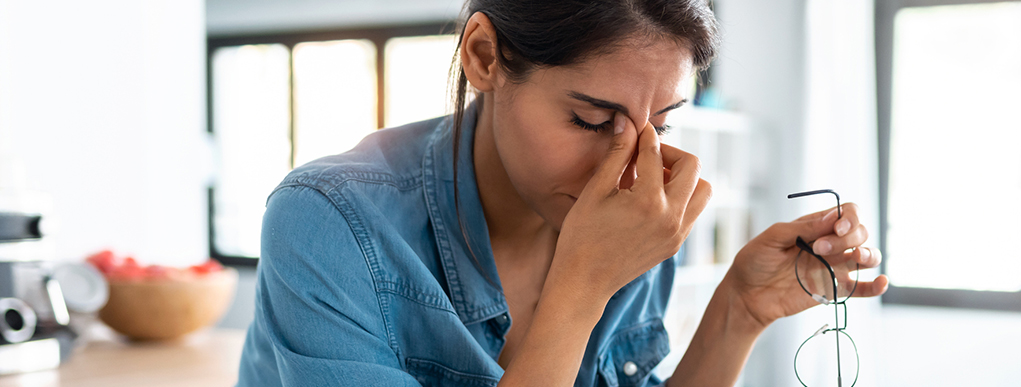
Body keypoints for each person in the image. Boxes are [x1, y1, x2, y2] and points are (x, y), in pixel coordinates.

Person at [236, 0, 889, 386]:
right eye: (592, 120)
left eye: (661, 126)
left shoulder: (637, 212)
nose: (630, 168)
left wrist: (738, 309)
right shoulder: (329, 222)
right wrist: (582, 285)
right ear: (484, 56)